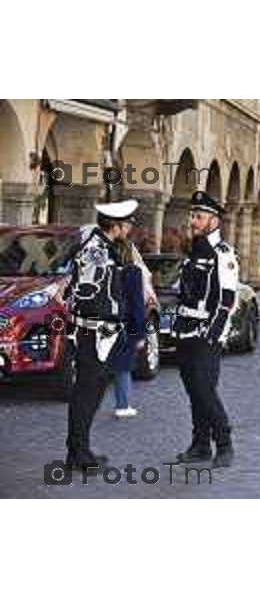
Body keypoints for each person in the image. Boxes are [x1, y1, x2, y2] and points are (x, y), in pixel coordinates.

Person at [63, 199, 138, 469]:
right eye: (128, 223)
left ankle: (80, 450)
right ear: (116, 226)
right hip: (93, 333)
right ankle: (77, 454)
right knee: (87, 392)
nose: (130, 228)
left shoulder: (104, 248)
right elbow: (87, 291)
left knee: (92, 391)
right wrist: (111, 315)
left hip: (99, 331)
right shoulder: (96, 250)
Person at [172, 191, 238, 468]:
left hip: (206, 333)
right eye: (193, 216)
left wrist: (213, 333)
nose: (193, 221)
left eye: (199, 217)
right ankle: (200, 444)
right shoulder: (194, 250)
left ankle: (224, 443)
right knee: (193, 392)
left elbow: (227, 300)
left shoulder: (223, 255)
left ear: (214, 220)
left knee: (205, 390)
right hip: (185, 330)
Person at [111, 239, 146, 418]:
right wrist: (140, 333)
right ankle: (122, 405)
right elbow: (137, 305)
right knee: (123, 366)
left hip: (101, 323)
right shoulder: (133, 272)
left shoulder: (105, 270)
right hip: (127, 325)